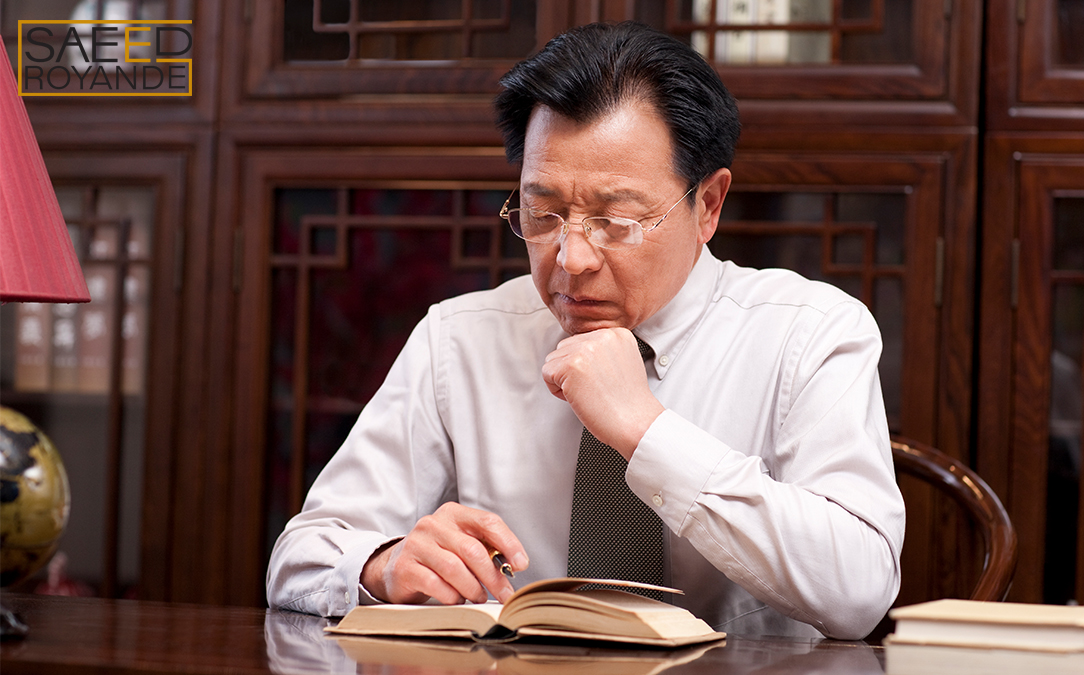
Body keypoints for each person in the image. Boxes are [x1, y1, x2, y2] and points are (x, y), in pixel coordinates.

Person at [267, 21, 904, 640]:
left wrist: (644, 431)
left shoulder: (810, 334)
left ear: (708, 205)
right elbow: (300, 557)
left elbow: (858, 591)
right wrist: (384, 564)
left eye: (616, 220)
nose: (571, 258)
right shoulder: (458, 340)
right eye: (542, 213)